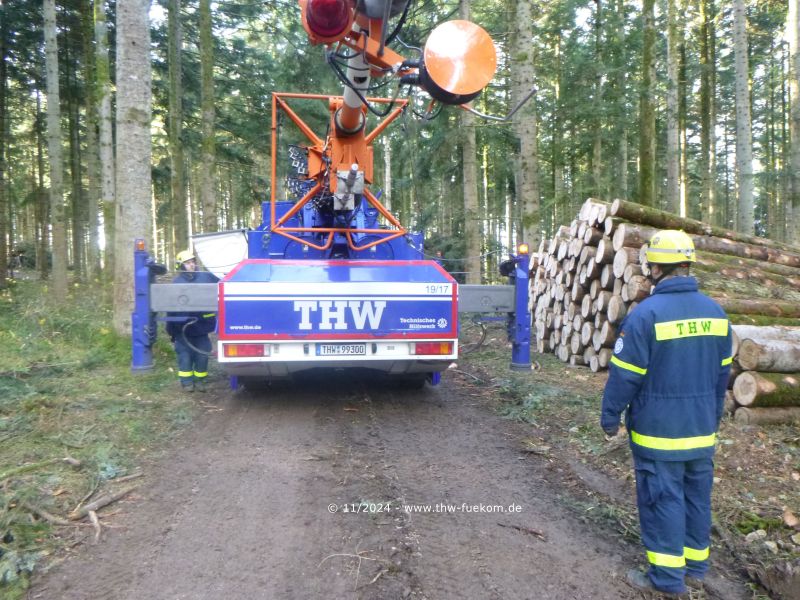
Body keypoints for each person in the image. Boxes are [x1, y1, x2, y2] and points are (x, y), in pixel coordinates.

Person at [600, 230, 732, 597]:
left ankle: (667, 580)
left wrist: (610, 416)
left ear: (655, 267)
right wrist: (713, 415)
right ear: (688, 265)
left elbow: (625, 377)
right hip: (702, 430)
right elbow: (723, 376)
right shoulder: (716, 313)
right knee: (696, 498)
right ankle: (696, 568)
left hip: (659, 435)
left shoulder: (646, 316)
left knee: (663, 501)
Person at [166, 250, 219, 392]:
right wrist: (171, 331)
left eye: (193, 262)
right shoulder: (176, 284)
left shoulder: (206, 278)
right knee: (184, 356)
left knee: (203, 355)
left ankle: (200, 380)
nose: (192, 265)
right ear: (181, 266)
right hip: (182, 330)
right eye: (188, 263)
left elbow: (221, 285)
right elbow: (170, 309)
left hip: (201, 328)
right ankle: (187, 383)